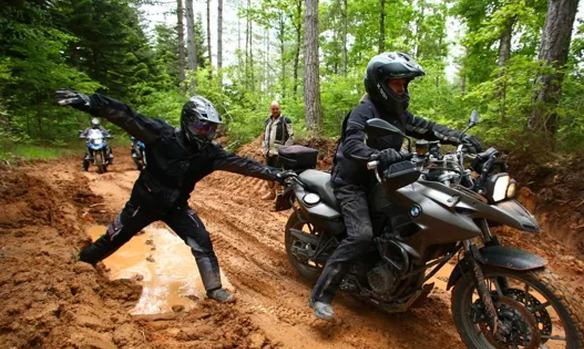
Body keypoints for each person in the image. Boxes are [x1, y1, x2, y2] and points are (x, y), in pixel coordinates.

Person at [56, 90, 290, 302]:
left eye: (210, 129)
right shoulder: (161, 136)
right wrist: (90, 102)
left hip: (176, 206)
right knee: (113, 238)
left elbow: (244, 164)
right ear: (187, 123)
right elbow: (126, 115)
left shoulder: (211, 153)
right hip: (143, 203)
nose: (206, 134)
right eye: (201, 127)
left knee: (202, 241)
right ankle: (79, 267)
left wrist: (276, 174)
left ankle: (214, 289)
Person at [308, 52, 483, 321]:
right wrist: (377, 154)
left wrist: (460, 137)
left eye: (404, 84)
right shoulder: (363, 112)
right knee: (361, 236)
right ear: (380, 84)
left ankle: (396, 266)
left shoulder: (396, 112)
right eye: (397, 85)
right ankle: (321, 296)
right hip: (353, 182)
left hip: (386, 179)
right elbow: (353, 144)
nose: (402, 89)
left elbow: (425, 128)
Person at [261, 101, 294, 200]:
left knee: (279, 174)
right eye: (273, 109)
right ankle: (272, 193)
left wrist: (284, 149)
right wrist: (263, 149)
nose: (275, 111)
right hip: (268, 152)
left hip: (278, 153)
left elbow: (291, 137)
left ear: (280, 108)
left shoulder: (285, 120)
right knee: (268, 173)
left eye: (277, 108)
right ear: (270, 109)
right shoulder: (267, 121)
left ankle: (279, 195)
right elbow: (264, 136)